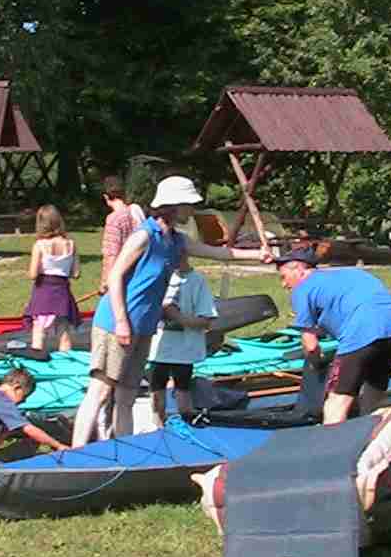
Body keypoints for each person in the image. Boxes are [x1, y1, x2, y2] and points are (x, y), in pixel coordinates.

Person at [70, 175, 271, 447]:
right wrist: (121, 322)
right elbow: (115, 276)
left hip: (144, 325)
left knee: (127, 395)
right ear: (173, 205)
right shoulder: (144, 235)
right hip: (116, 322)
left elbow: (218, 253)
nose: (193, 210)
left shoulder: (177, 240)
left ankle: (125, 450)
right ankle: (76, 451)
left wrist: (258, 255)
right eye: (189, 204)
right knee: (101, 390)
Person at [274, 247, 391, 424]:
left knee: (337, 399)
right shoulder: (351, 274)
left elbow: (312, 346)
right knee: (373, 393)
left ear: (299, 269)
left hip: (361, 333)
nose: (284, 284)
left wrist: (317, 366)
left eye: (283, 277)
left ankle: (331, 446)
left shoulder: (302, 289)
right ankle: (371, 438)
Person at [146, 246, 218, 428]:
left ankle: (186, 427)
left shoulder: (196, 281)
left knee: (183, 393)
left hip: (184, 350)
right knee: (157, 394)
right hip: (157, 349)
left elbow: (206, 320)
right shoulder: (157, 278)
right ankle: (158, 429)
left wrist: (177, 317)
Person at [23, 205, 81, 352]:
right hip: (62, 291)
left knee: (39, 329)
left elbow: (33, 274)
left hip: (44, 290)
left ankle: (37, 360)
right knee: (64, 332)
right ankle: (66, 363)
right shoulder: (71, 244)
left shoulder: (40, 245)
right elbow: (76, 273)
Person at [98, 175, 145, 294]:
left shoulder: (114, 219)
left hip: (120, 278)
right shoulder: (136, 211)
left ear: (105, 197)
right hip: (139, 273)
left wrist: (105, 282)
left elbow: (111, 254)